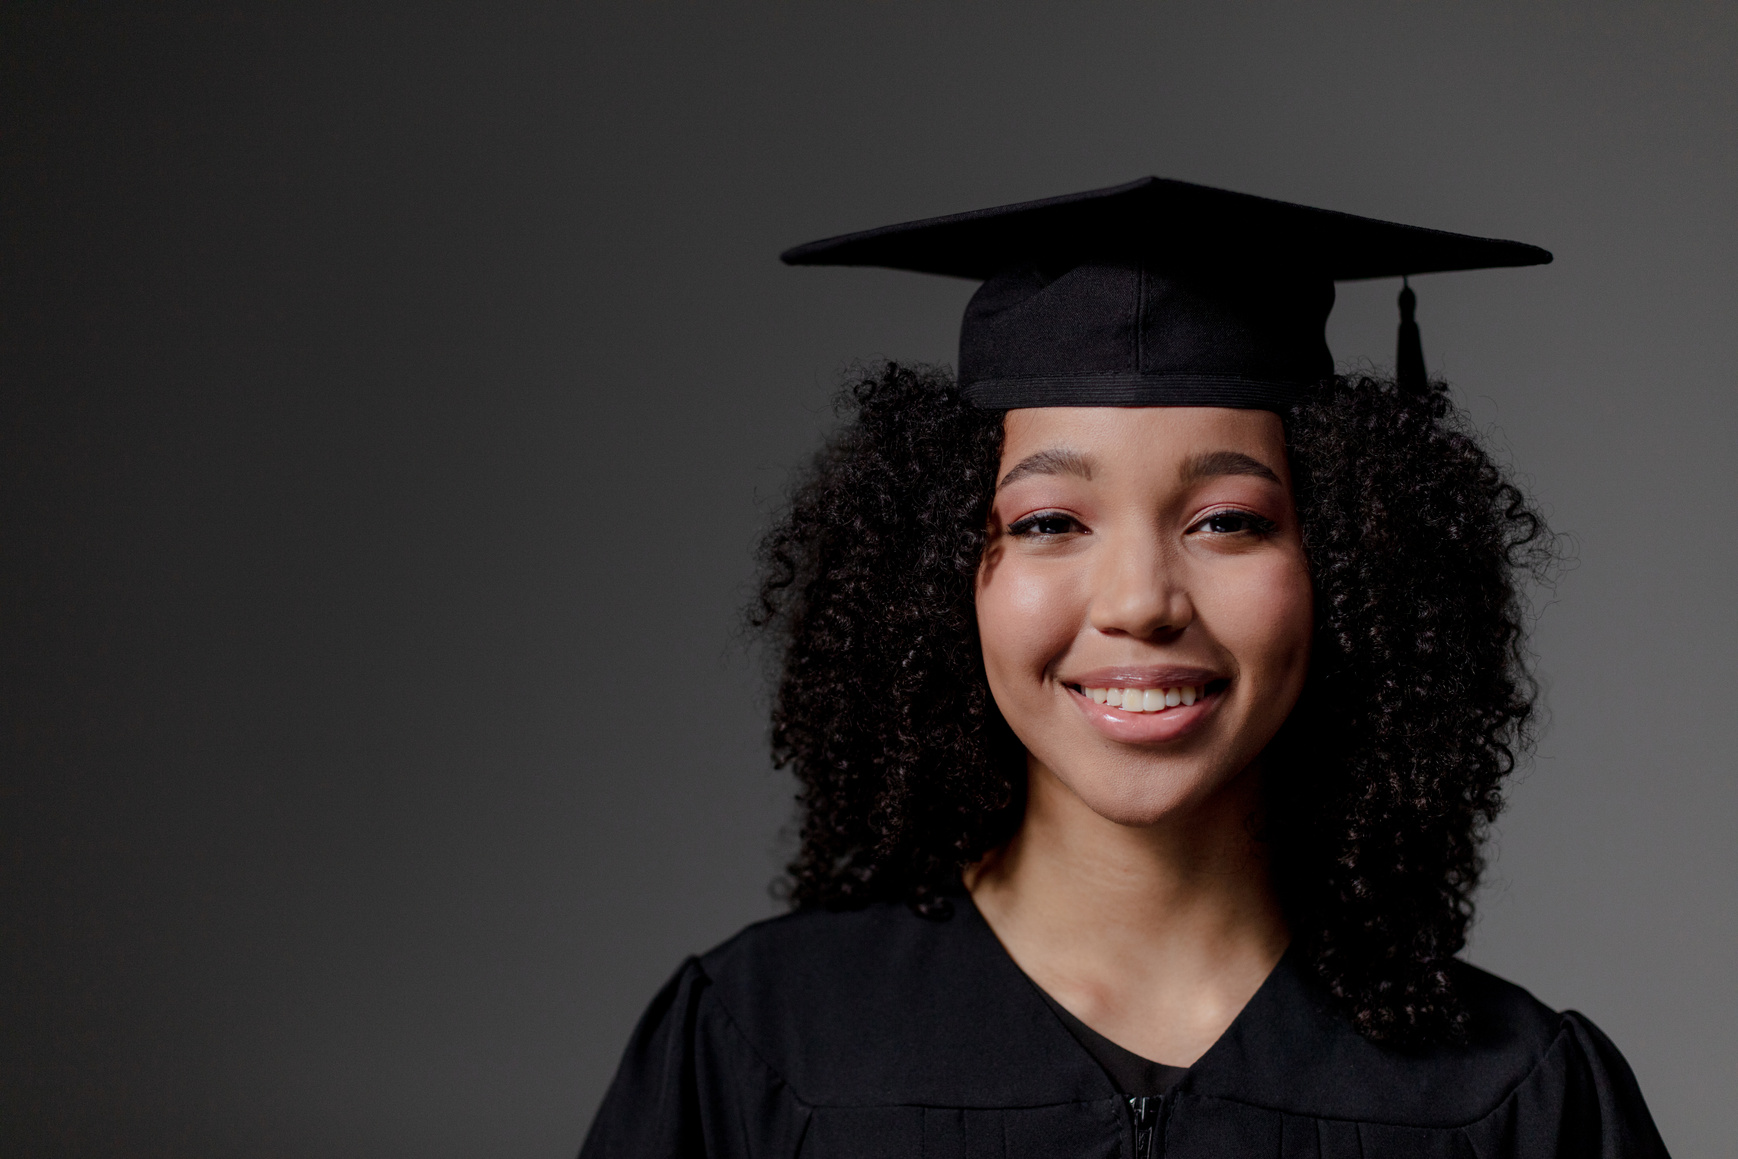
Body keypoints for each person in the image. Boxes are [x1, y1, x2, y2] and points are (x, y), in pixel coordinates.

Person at [579, 178, 1670, 1158]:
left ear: (1350, 563)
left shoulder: (1511, 1099)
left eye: (1229, 520)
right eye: (1051, 519)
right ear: (940, 570)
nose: (1141, 600)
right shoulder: (758, 1045)